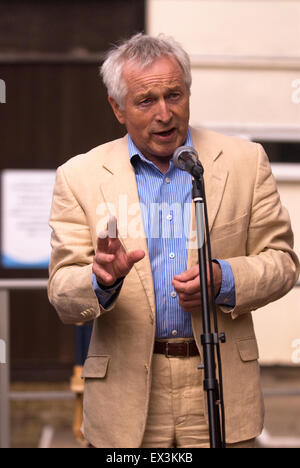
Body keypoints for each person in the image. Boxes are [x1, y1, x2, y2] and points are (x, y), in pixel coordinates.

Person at [48, 33, 299, 448]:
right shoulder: (80, 177)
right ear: (118, 107)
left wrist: (225, 278)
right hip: (125, 392)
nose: (165, 113)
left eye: (174, 95)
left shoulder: (244, 162)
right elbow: (61, 291)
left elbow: (284, 263)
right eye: (146, 100)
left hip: (219, 385)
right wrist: (101, 281)